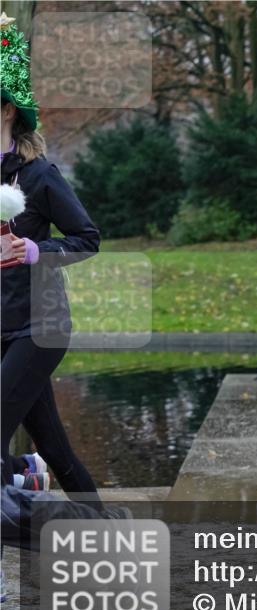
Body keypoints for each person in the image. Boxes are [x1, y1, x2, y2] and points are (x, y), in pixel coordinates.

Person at [1, 16, 104, 509]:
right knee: (55, 450)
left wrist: (37, 250)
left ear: (6, 110)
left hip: (38, 327)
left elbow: (87, 238)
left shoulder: (39, 175)